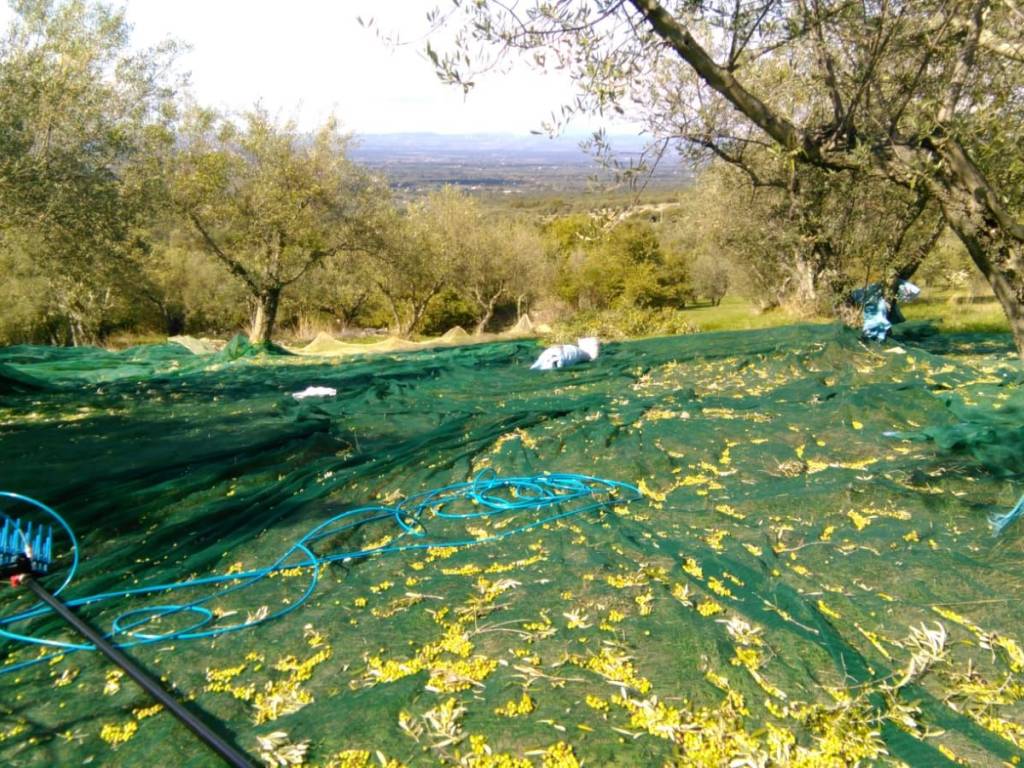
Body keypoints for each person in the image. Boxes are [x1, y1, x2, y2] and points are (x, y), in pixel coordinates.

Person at [530, 337, 600, 370]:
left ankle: (589, 343)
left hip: (563, 352)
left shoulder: (579, 353)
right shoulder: (546, 358)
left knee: (590, 356)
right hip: (562, 352)